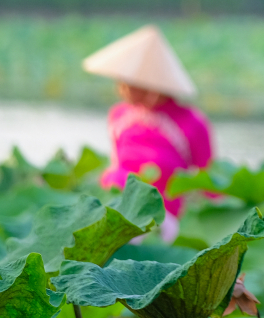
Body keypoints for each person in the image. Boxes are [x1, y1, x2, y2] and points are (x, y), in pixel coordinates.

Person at [83, 24, 213, 242]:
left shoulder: (191, 122)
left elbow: (208, 180)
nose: (121, 87)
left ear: (149, 83)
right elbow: (116, 162)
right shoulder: (119, 115)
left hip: (163, 217)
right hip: (116, 206)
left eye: (128, 81)